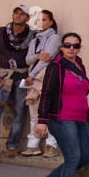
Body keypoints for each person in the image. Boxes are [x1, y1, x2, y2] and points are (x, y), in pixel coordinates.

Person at [34, 32, 89, 177]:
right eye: (67, 45)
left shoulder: (79, 65)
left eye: (75, 46)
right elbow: (47, 93)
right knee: (73, 157)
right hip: (61, 118)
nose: (71, 49)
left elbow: (81, 95)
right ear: (61, 47)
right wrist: (42, 120)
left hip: (80, 118)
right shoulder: (56, 66)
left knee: (85, 157)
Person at [0, 5, 35, 161]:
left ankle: (12, 145)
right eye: (16, 13)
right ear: (13, 14)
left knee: (20, 111)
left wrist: (32, 76)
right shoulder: (1, 32)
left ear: (27, 18)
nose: (18, 16)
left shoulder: (32, 35)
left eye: (22, 14)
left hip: (22, 77)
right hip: (2, 77)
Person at [21, 10, 60, 157]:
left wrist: (31, 74)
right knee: (34, 112)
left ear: (51, 22)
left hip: (46, 78)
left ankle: (51, 144)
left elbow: (47, 58)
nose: (41, 23)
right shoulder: (35, 40)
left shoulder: (54, 37)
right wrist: (37, 55)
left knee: (48, 111)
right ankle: (33, 144)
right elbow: (28, 59)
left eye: (44, 20)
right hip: (33, 79)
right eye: (39, 20)